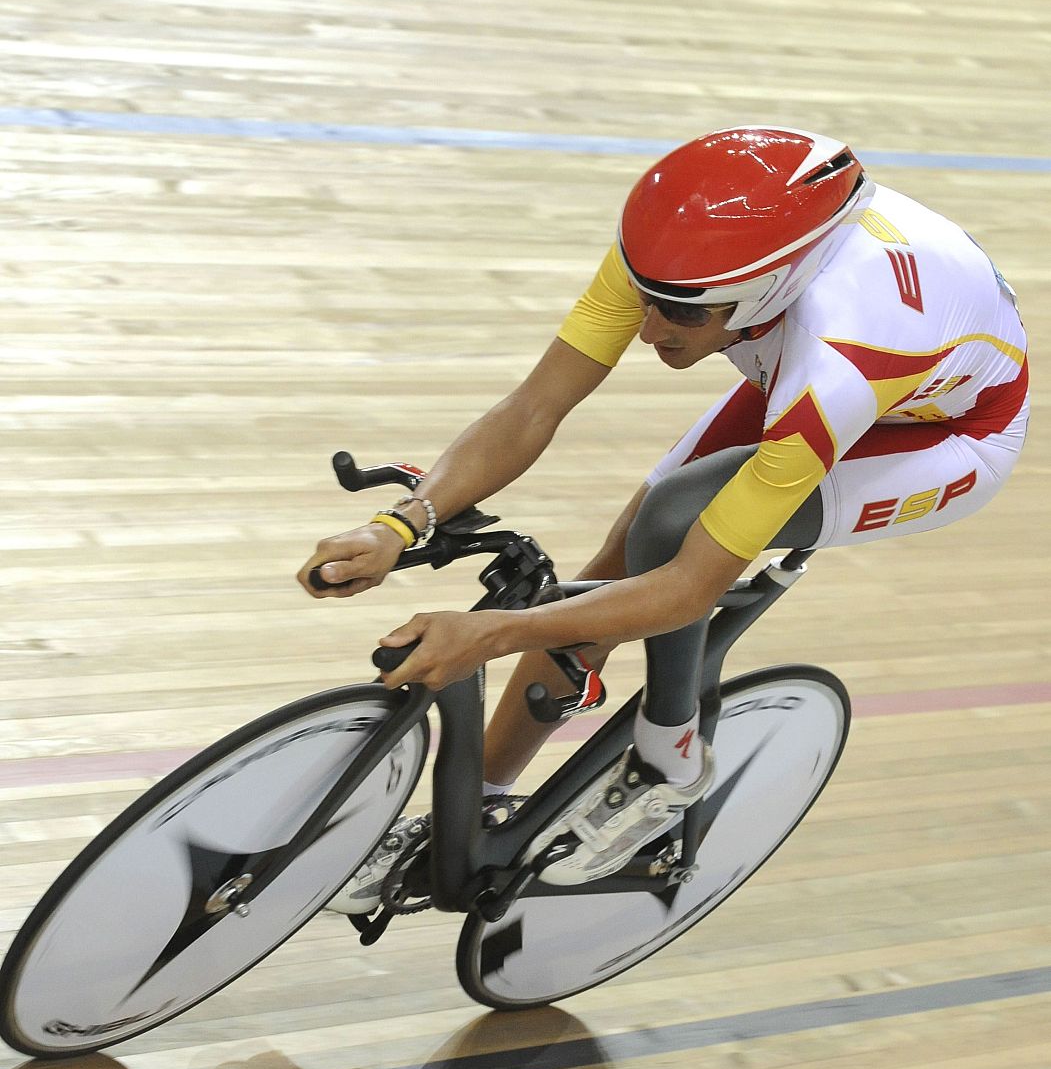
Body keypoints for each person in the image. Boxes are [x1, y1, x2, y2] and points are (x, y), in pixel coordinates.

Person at [297, 125, 1029, 911]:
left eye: (678, 313)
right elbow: (534, 405)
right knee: (614, 563)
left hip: (950, 435)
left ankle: (668, 761)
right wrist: (401, 523)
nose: (647, 327)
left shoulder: (837, 364)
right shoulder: (678, 262)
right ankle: (479, 807)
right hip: (812, 359)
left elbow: (687, 587)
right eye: (646, 298)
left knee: (673, 523)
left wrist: (489, 635)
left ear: (764, 293)